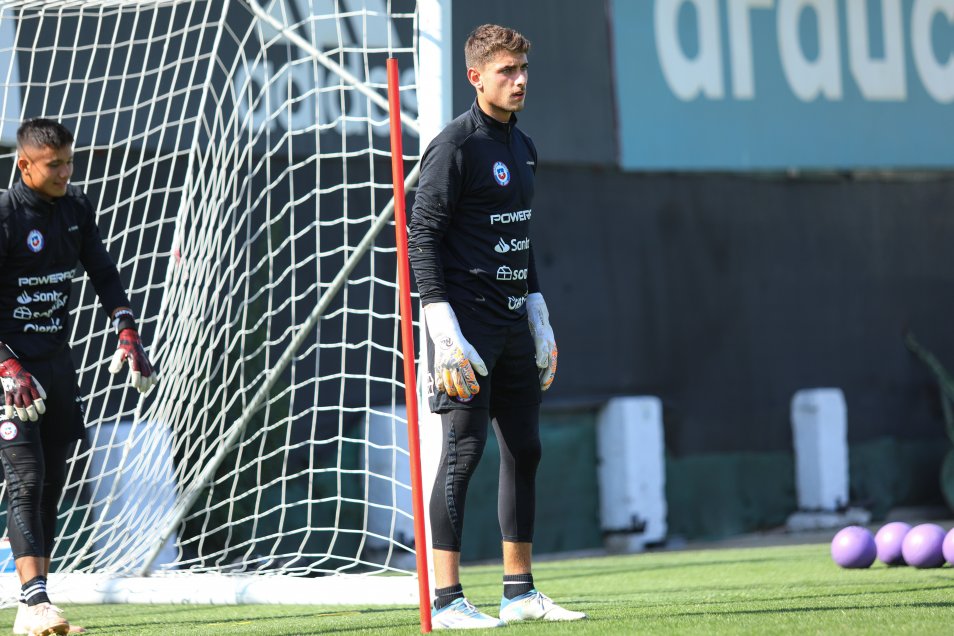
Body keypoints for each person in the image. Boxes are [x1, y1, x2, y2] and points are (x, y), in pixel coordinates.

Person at [408, 24, 586, 629]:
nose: (521, 81)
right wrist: (440, 323)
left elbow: (517, 235)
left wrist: (537, 308)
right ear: (476, 76)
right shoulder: (454, 146)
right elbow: (421, 236)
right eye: (507, 71)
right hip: (464, 328)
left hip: (512, 322)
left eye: (523, 71)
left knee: (525, 450)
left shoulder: (525, 147)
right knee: (462, 455)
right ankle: (449, 600)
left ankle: (519, 592)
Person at [0, 118, 157, 635]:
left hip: (55, 365)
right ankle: (36, 597)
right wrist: (6, 365)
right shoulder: (4, 215)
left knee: (50, 480)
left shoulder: (75, 209)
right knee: (25, 475)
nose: (66, 171)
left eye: (70, 160)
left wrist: (126, 329)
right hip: (8, 370)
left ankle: (30, 606)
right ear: (24, 165)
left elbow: (104, 272)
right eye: (55, 164)